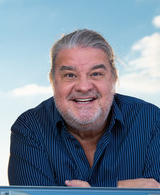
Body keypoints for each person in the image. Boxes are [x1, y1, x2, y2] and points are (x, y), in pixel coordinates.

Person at [8, 29, 160, 188]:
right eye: (70, 75)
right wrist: (117, 188)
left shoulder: (152, 121)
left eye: (96, 73)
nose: (84, 87)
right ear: (53, 81)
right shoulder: (29, 128)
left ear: (114, 78)